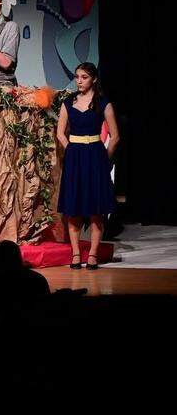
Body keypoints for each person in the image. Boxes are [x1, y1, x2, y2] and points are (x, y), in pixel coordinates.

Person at [56, 62, 119, 270]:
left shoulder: (103, 103)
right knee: (73, 208)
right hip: (76, 157)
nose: (79, 81)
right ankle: (75, 254)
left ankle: (92, 254)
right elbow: (60, 133)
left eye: (84, 77)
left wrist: (105, 159)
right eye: (77, 77)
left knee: (95, 209)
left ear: (93, 79)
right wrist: (71, 149)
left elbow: (115, 136)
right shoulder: (68, 102)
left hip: (95, 157)